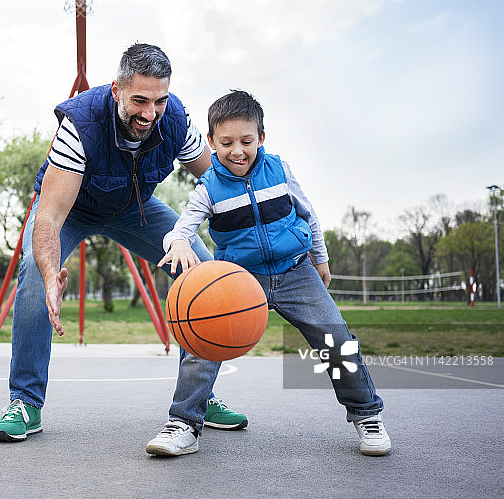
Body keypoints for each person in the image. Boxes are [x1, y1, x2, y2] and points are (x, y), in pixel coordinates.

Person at [0, 43, 246, 453]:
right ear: (117, 91)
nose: (150, 113)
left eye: (159, 101)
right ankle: (25, 403)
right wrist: (50, 273)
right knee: (36, 278)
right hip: (73, 209)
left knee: (203, 271)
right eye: (139, 101)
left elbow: (219, 180)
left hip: (133, 209)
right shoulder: (80, 125)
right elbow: (50, 216)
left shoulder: (175, 120)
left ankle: (199, 397)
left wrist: (266, 229)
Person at [157, 89, 391, 456]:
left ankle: (367, 415)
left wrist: (320, 258)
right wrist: (179, 243)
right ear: (211, 142)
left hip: (295, 270)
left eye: (246, 141)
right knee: (201, 344)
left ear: (261, 137)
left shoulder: (279, 171)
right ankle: (183, 424)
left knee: (337, 341)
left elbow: (308, 213)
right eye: (227, 142)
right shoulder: (208, 188)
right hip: (240, 280)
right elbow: (181, 228)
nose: (237, 151)